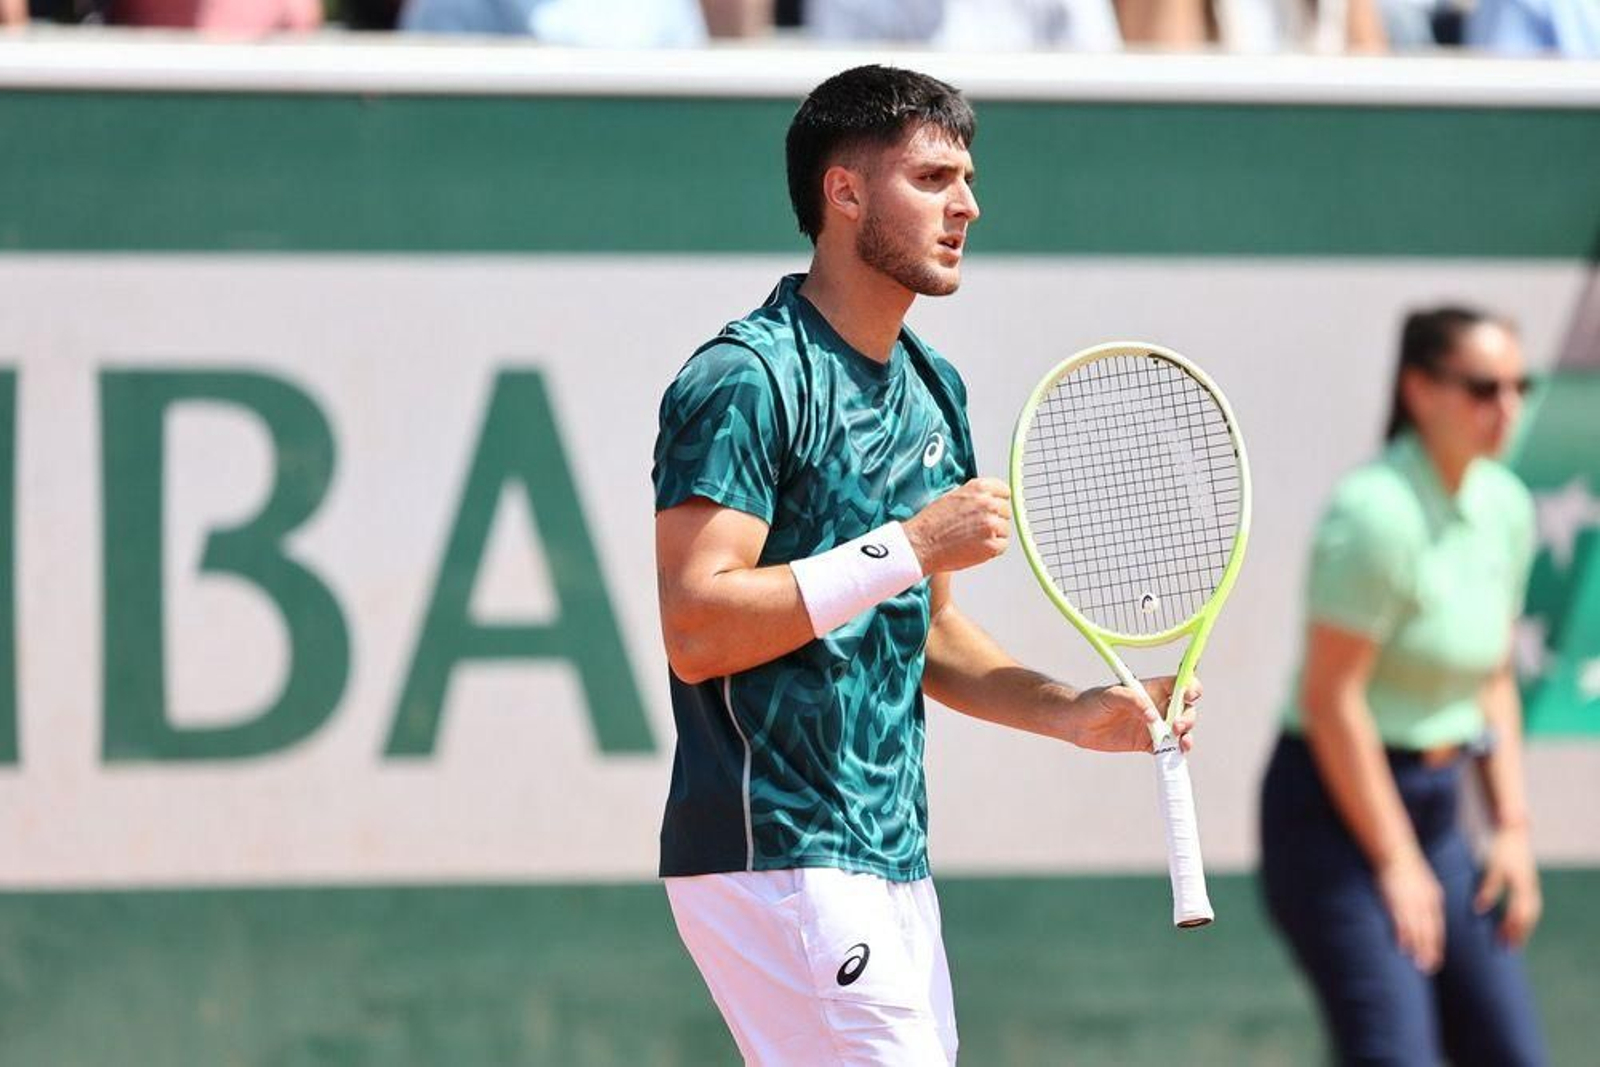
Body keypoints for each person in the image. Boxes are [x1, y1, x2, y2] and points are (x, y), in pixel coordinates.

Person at [651, 64, 1201, 1064]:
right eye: (935, 177)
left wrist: (1070, 711)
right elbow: (697, 627)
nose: (968, 205)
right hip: (773, 847)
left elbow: (929, 631)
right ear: (844, 191)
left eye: (968, 178)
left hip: (887, 857)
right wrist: (907, 543)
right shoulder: (745, 379)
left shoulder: (932, 388)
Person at [1259, 307, 1548, 1066]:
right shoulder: (1374, 514)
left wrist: (1511, 830)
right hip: (1331, 817)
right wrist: (1393, 859)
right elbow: (1332, 701)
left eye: (1521, 385)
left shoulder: (1507, 508)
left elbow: (1492, 679)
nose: (1507, 407)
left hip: (1439, 812)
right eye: (1484, 387)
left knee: (1512, 1051)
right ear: (1419, 390)